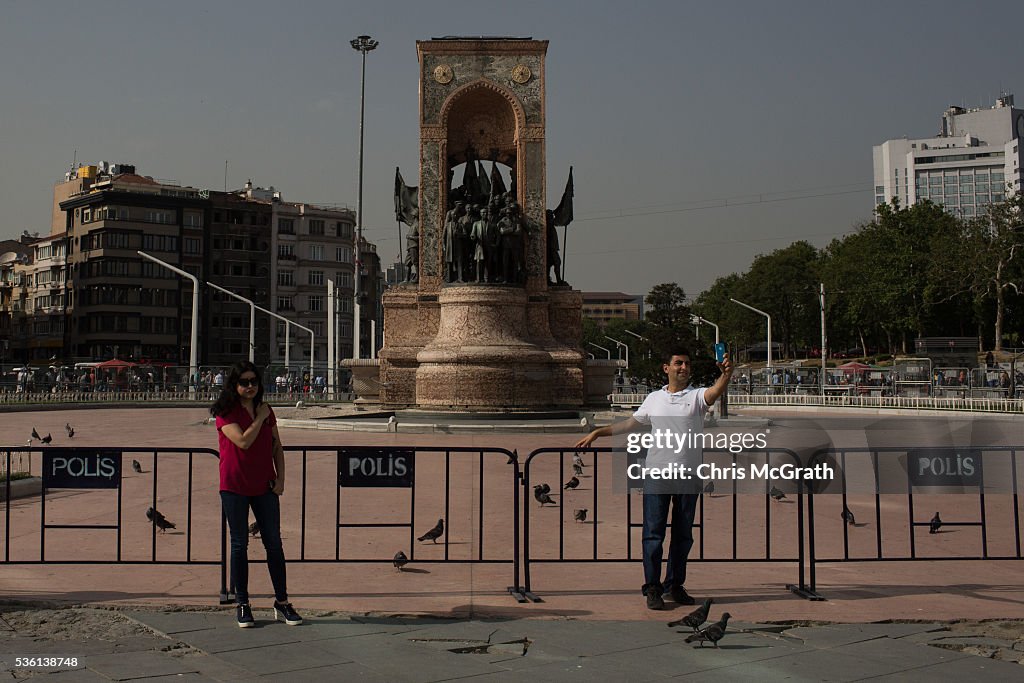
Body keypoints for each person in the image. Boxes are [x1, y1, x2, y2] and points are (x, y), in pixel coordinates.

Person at [575, 347, 734, 610]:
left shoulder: (695, 397)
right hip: (657, 475)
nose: (684, 368)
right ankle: (652, 587)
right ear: (666, 368)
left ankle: (675, 585)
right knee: (653, 535)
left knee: (683, 536)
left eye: (687, 364)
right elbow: (629, 424)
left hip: (688, 475)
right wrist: (598, 433)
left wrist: (726, 375)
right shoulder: (653, 399)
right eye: (678, 363)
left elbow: (714, 392)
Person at [210, 361, 302, 628]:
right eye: (244, 382)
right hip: (234, 485)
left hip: (265, 485)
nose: (250, 386)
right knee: (239, 544)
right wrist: (260, 417)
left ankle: (282, 602)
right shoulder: (225, 412)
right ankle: (242, 603)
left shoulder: (266, 410)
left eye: (254, 381)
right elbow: (243, 442)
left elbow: (277, 446)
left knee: (274, 543)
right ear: (234, 385)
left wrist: (281, 479)